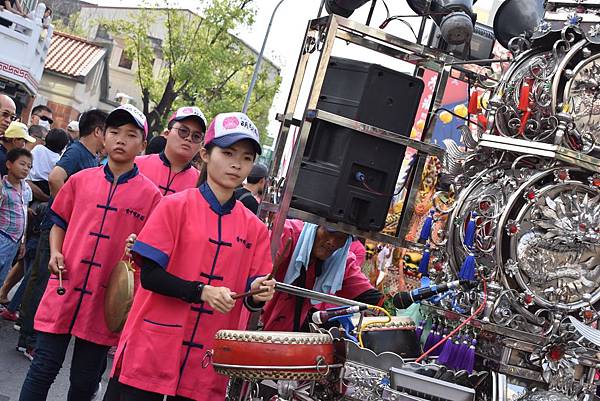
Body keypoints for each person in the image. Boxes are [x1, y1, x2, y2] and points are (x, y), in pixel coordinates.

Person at [103, 112, 276, 401]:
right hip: (152, 347)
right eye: (229, 152)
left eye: (246, 158)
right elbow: (150, 276)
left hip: (206, 360)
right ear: (206, 155)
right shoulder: (174, 206)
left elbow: (251, 295)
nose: (237, 163)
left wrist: (259, 293)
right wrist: (202, 291)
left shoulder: (255, 229)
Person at [18, 104, 162, 401]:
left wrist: (139, 250)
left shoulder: (152, 196)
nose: (121, 139)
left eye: (130, 134)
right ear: (104, 138)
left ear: (143, 145)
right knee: (43, 368)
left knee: (84, 381)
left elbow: (154, 250)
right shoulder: (81, 180)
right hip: (65, 286)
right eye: (114, 132)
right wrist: (56, 252)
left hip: (106, 300)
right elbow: (59, 220)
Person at [16, 109, 106, 359]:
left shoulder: (90, 156)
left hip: (65, 228)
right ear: (99, 132)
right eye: (110, 131)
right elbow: (56, 178)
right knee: (44, 280)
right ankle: (28, 338)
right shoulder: (78, 152)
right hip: (57, 227)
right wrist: (70, 212)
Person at [262, 219, 383, 332]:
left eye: (341, 238)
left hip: (288, 337)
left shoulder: (340, 262)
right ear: (316, 225)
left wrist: (398, 302)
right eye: (328, 232)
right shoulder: (287, 234)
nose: (332, 242)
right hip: (254, 328)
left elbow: (372, 298)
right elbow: (256, 275)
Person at [135, 106, 205, 195]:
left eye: (196, 136)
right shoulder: (135, 166)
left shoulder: (202, 184)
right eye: (183, 131)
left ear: (201, 146)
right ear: (167, 133)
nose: (188, 138)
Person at [0, 148, 32, 286]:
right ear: (9, 164)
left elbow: (24, 213)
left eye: (29, 166)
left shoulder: (26, 189)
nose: (26, 169)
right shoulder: (2, 189)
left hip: (15, 240)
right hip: (3, 236)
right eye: (22, 164)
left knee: (2, 276)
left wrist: (22, 242)